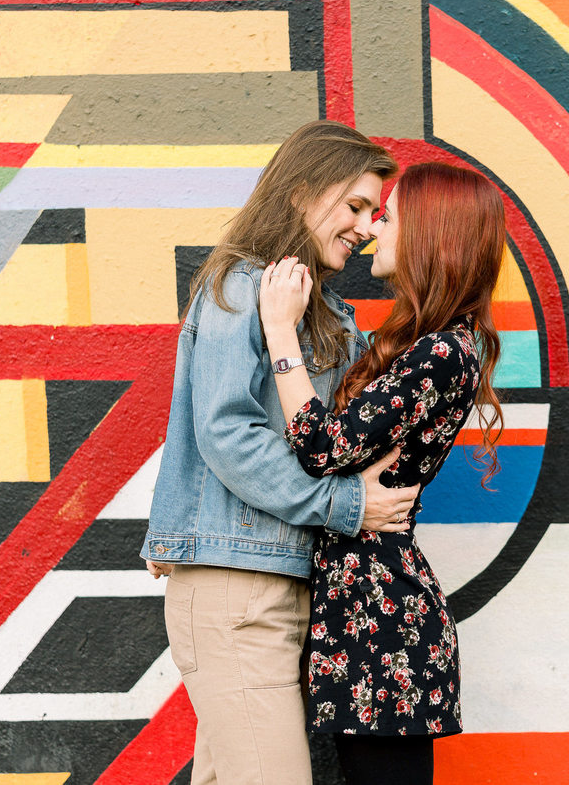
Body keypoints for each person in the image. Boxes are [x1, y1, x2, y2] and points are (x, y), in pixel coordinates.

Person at [141, 120, 417, 785]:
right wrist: (347, 504)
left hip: (282, 584)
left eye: (374, 213)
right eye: (355, 206)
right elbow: (227, 432)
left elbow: (334, 439)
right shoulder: (243, 286)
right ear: (302, 193)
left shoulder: (323, 310)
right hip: (237, 589)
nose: (366, 228)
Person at [258, 162, 506, 785]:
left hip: (382, 621)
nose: (371, 228)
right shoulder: (427, 344)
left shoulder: (442, 352)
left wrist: (281, 329)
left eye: (386, 216)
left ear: (429, 235)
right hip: (365, 610)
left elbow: (321, 448)